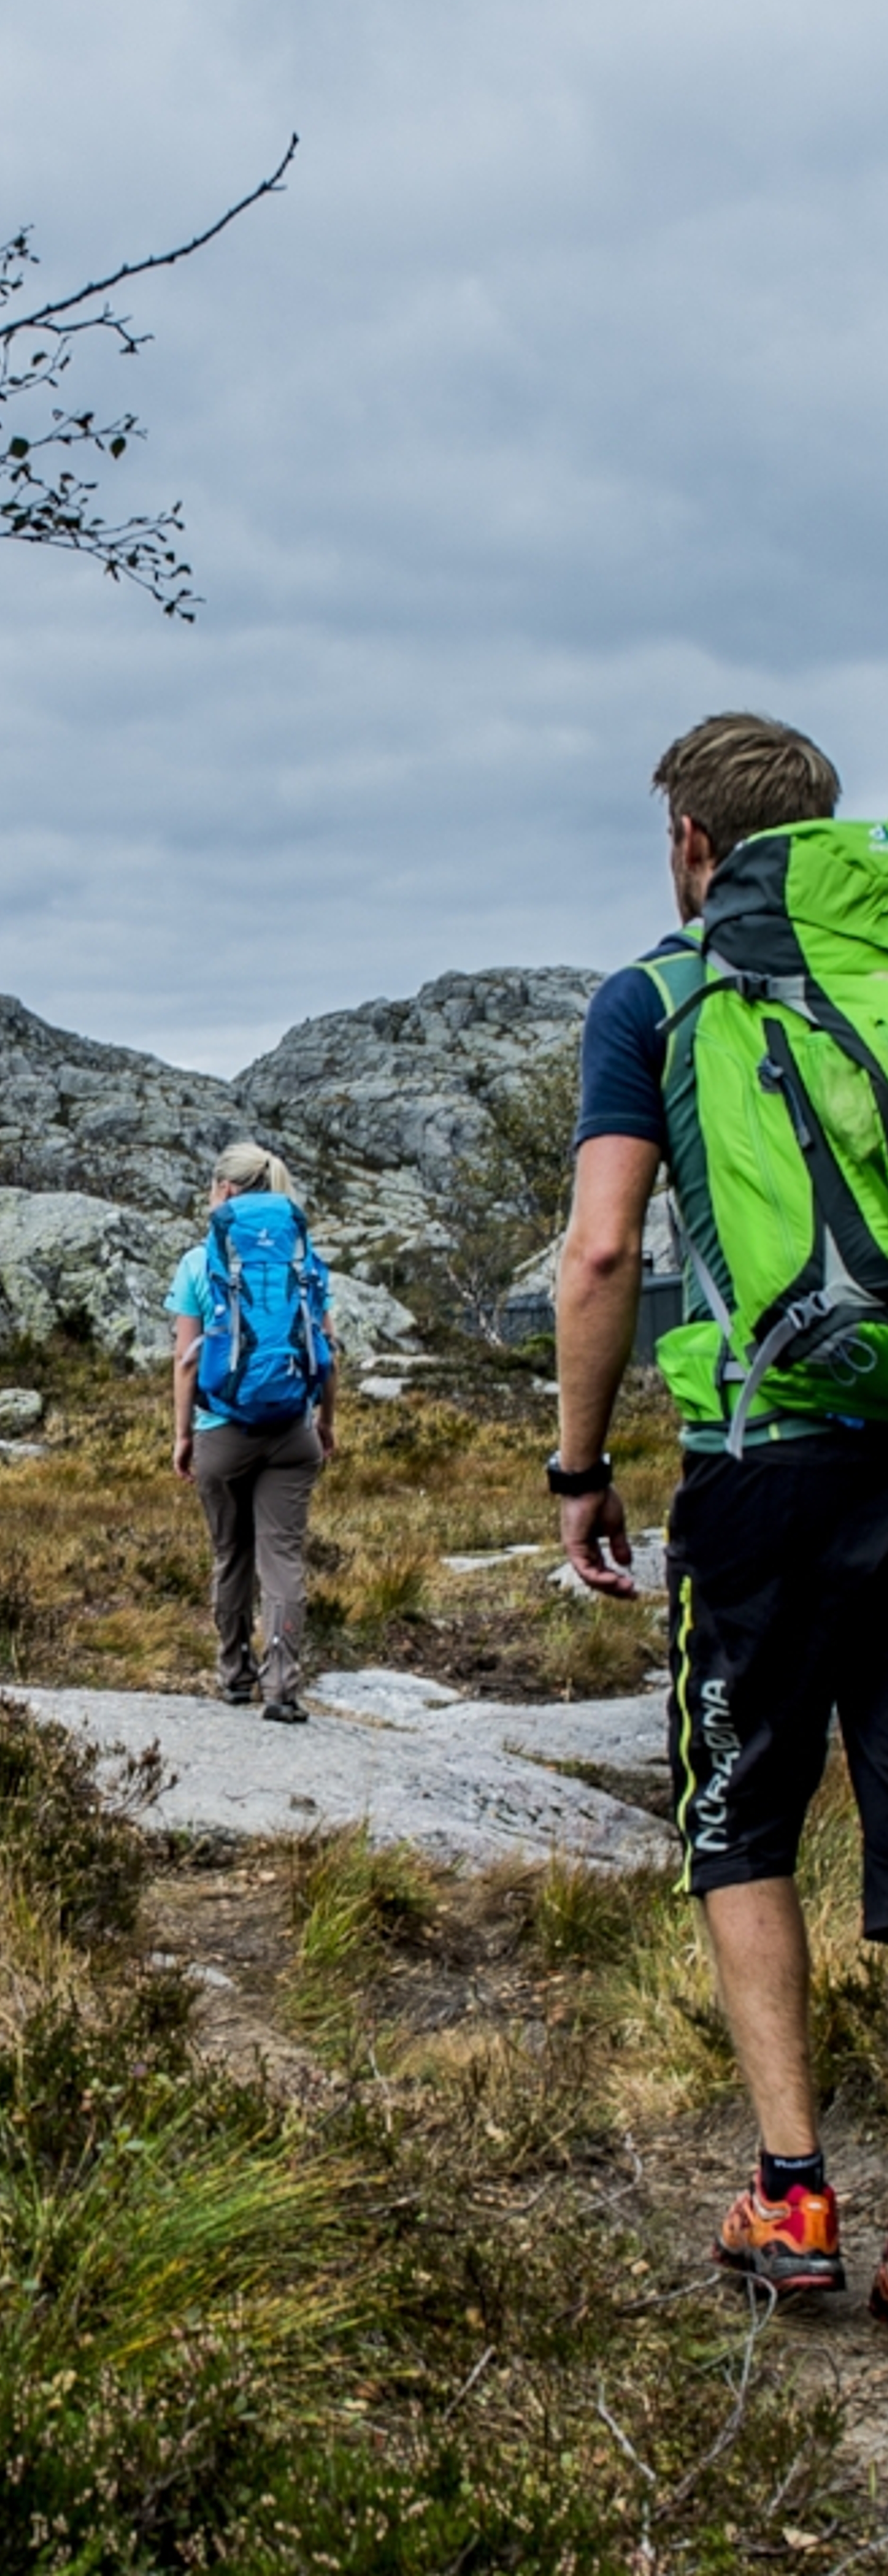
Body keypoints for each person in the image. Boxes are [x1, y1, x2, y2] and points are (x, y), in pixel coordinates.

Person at [556, 709, 888, 2308]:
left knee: (740, 1816)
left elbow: (601, 1250)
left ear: (690, 841)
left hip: (758, 1474)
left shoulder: (653, 994)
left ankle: (791, 2195)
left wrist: (578, 1467)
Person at [169, 1142, 338, 1722]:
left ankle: (236, 1676)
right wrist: (325, 1422)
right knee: (283, 1557)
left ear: (225, 1190)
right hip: (293, 1430)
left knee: (231, 1555)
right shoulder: (305, 1258)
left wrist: (183, 1436)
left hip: (221, 1431)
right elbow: (326, 1350)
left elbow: (186, 1363)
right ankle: (283, 1687)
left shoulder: (199, 1261)